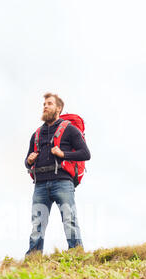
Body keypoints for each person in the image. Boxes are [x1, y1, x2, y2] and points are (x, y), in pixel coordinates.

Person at [25, 93, 91, 256]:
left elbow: (85, 154)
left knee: (70, 220)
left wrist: (63, 154)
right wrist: (29, 161)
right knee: (37, 225)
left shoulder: (70, 130)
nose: (45, 106)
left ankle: (76, 254)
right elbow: (26, 162)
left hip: (62, 182)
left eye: (49, 104)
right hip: (40, 185)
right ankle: (33, 258)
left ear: (58, 108)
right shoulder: (36, 134)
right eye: (44, 104)